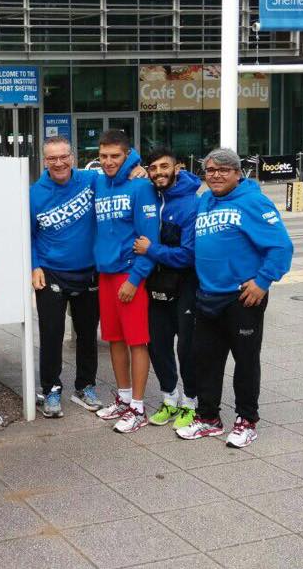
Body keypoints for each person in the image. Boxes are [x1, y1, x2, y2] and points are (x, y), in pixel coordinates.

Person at [177, 148, 293, 448]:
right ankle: (208, 418)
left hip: (242, 298)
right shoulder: (205, 200)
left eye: (223, 170)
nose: (215, 175)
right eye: (210, 170)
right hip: (208, 297)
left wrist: (263, 281)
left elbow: (281, 247)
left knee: (245, 362)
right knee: (206, 360)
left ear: (238, 173)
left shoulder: (253, 202)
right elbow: (184, 180)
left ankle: (246, 420)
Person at [91, 130, 160, 434]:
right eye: (103, 156)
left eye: (115, 156)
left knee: (136, 341)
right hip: (106, 275)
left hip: (130, 275)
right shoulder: (98, 183)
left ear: (127, 154)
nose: (108, 162)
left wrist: (135, 279)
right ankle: (124, 398)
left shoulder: (141, 186)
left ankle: (139, 408)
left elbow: (150, 238)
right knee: (114, 340)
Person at [30, 136, 102, 417]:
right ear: (45, 161)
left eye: (63, 157)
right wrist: (34, 265)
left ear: (72, 157)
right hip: (51, 272)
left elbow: (120, 166)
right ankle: (51, 391)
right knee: (51, 334)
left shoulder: (91, 181)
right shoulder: (34, 193)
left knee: (87, 334)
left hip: (89, 271)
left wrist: (136, 168)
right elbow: (28, 234)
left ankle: (85, 387)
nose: (58, 163)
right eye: (52, 158)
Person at [133, 148, 201, 429]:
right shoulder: (149, 194)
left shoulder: (191, 203)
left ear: (178, 167)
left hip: (186, 284)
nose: (159, 172)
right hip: (156, 284)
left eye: (164, 166)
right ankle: (169, 399)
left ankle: (190, 403)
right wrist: (132, 169)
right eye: (153, 168)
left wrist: (152, 249)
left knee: (186, 348)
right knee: (158, 345)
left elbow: (188, 254)